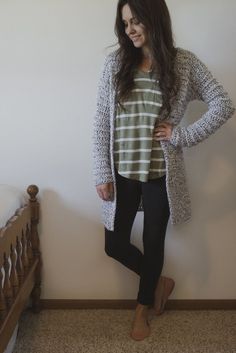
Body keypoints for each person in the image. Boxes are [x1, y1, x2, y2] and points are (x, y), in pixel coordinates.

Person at [93, 0, 235, 341]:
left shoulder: (183, 62)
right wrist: (102, 171)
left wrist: (182, 134)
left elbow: (223, 104)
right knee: (114, 244)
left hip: (160, 174)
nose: (129, 29)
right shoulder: (115, 64)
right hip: (122, 172)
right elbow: (100, 121)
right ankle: (158, 282)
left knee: (153, 242)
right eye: (125, 22)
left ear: (155, 19)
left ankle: (142, 310)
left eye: (136, 20)